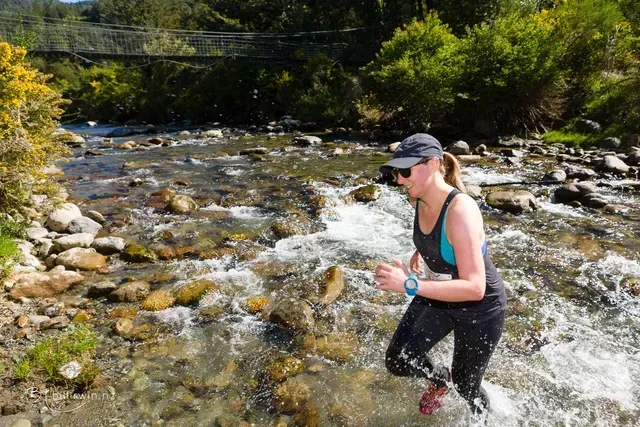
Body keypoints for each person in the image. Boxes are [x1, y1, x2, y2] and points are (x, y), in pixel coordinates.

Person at [374, 133, 506, 418]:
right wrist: (422, 251)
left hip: (480, 310)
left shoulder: (462, 211)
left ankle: (483, 421)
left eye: (405, 171)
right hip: (440, 293)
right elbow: (441, 238)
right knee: (399, 360)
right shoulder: (418, 198)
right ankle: (439, 379)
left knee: (468, 387)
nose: (399, 179)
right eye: (396, 171)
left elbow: (475, 288)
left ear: (433, 164)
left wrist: (409, 284)